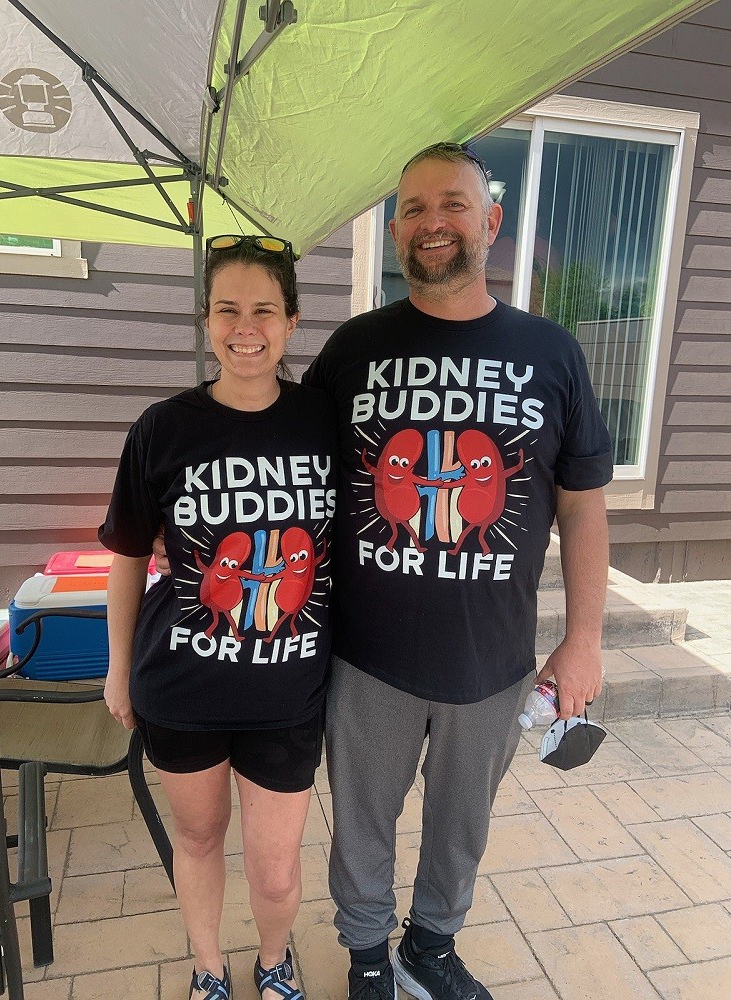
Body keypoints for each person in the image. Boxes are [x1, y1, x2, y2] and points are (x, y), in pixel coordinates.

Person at [300, 142, 613, 1000]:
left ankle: (429, 948)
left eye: (453, 204)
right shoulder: (353, 350)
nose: (432, 222)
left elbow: (583, 504)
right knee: (361, 821)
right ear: (396, 227)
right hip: (369, 655)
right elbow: (290, 468)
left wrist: (583, 640)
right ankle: (369, 955)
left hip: (493, 658)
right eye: (413, 208)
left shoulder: (551, 352)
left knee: (460, 826)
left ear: (491, 222)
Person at [99, 235, 337, 1000]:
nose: (246, 327)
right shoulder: (162, 429)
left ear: (292, 321)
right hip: (182, 687)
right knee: (198, 840)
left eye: (263, 309)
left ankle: (274, 961)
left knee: (275, 865)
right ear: (206, 322)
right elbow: (130, 557)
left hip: (288, 694)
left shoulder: (326, 425)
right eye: (228, 309)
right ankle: (208, 968)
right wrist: (116, 667)